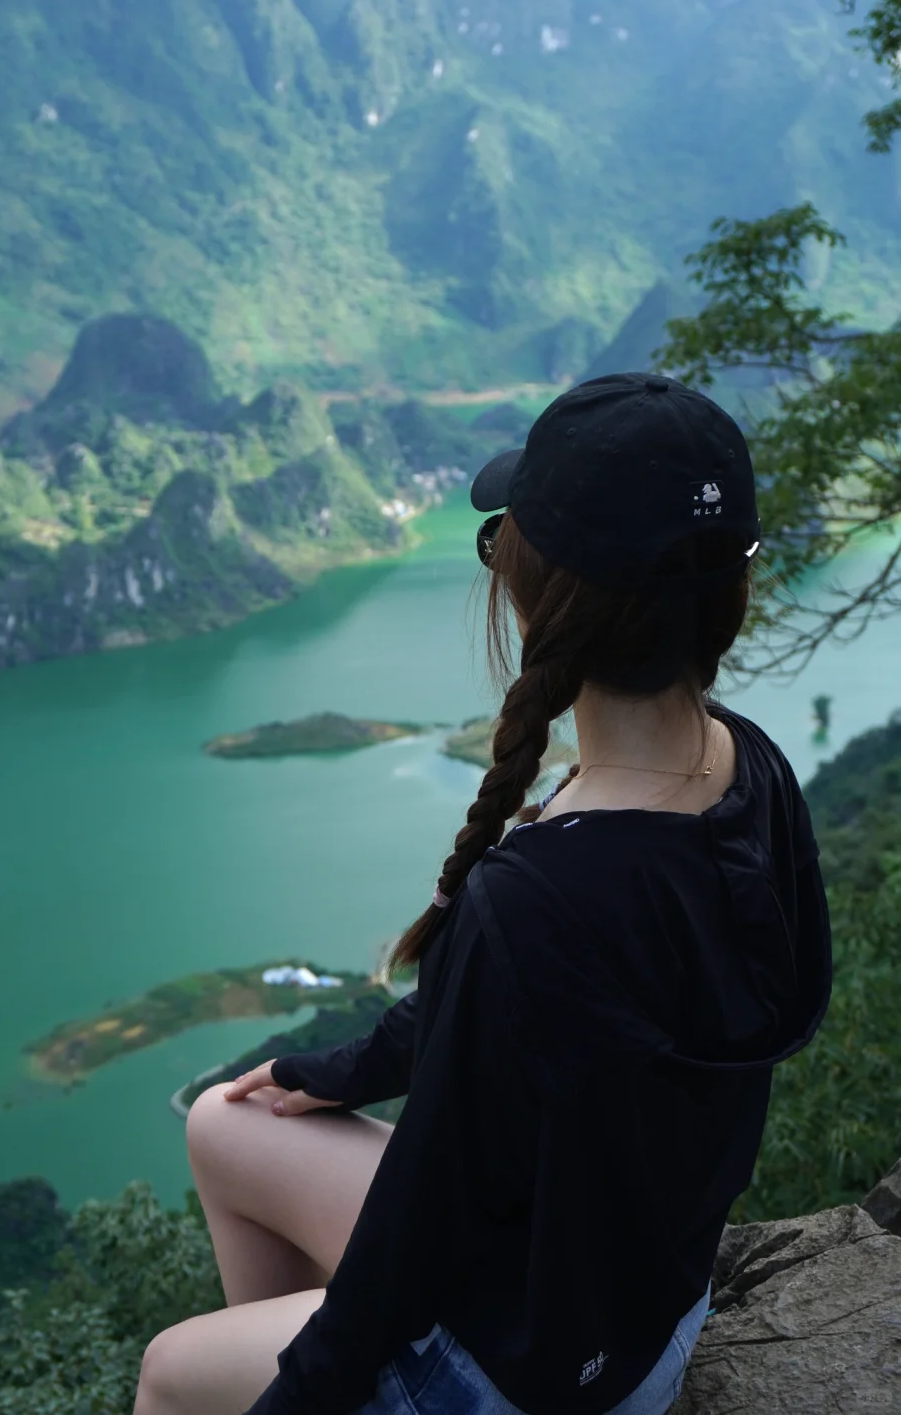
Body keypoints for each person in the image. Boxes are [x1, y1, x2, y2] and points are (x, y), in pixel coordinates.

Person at [133, 372, 833, 1415]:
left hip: (542, 1366)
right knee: (224, 1122)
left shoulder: (534, 897)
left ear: (536, 593)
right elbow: (499, 1031)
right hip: (639, 1296)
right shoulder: (751, 769)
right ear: (722, 593)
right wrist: (338, 1068)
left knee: (169, 1371)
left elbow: (415, 1233)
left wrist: (302, 1398)